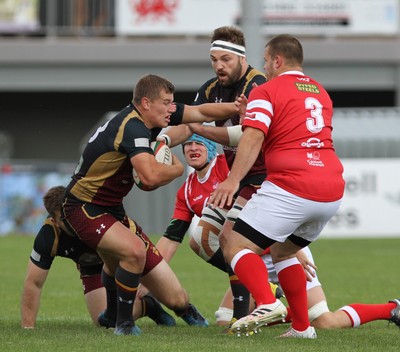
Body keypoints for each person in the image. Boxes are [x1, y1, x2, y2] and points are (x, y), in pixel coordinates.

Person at [61, 74, 242, 335]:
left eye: (172, 103)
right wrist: (178, 168)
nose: (172, 108)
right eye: (166, 103)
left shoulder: (156, 115)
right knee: (133, 252)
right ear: (146, 103)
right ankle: (123, 324)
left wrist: (240, 108)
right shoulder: (132, 127)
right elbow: (148, 179)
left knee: (176, 297)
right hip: (83, 207)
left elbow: (200, 111)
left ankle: (168, 310)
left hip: (112, 209)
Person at [208, 34, 346, 339]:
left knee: (233, 243)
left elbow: (253, 137)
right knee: (283, 252)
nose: (265, 67)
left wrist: (232, 180)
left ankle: (268, 302)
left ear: (277, 60)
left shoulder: (266, 90)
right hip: (331, 188)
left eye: (267, 61)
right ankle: (301, 328)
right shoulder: (321, 92)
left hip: (292, 184)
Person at [20, 186, 206, 329]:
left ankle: (186, 310)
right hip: (92, 265)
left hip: (132, 251)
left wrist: (141, 279)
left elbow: (133, 248)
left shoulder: (95, 213)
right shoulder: (48, 236)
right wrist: (28, 328)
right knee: (104, 321)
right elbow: (33, 283)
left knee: (176, 300)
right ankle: (148, 307)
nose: (71, 219)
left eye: (71, 213)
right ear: (54, 221)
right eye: (64, 218)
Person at [186, 25, 268, 324]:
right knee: (201, 240)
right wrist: (164, 140)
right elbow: (189, 118)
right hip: (238, 176)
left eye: (225, 60)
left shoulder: (257, 85)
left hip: (263, 177)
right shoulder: (211, 88)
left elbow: (243, 135)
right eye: (214, 59)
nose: (219, 65)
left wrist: (200, 128)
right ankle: (262, 282)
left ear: (241, 59)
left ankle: (248, 309)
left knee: (229, 238)